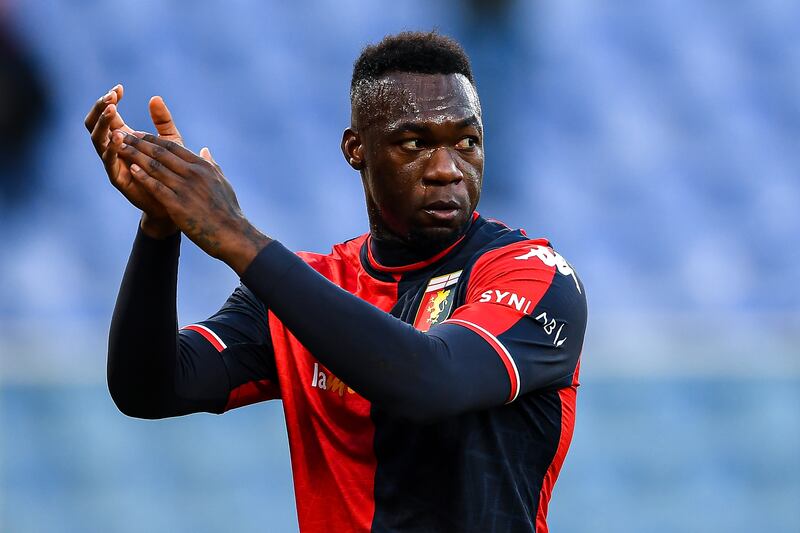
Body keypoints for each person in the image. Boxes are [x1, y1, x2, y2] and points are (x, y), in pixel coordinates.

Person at [85, 32, 587, 533]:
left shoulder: (534, 275)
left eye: (466, 142)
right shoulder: (306, 290)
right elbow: (147, 389)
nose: (446, 169)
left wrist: (235, 235)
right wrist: (161, 225)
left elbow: (431, 381)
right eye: (415, 143)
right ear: (356, 149)